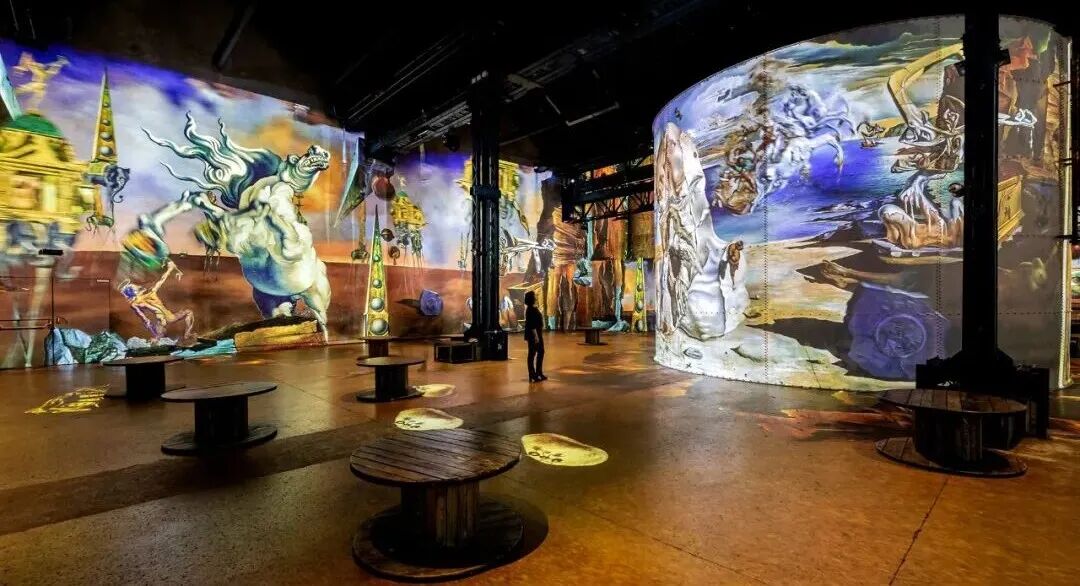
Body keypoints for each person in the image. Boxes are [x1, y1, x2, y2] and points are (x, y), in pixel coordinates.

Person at [523, 291, 546, 382]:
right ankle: (533, 374)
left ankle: (537, 373)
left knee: (538, 352)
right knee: (533, 353)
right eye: (534, 296)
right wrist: (536, 337)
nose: (536, 298)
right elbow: (532, 325)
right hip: (534, 335)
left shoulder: (532, 309)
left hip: (536, 334)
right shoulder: (531, 310)